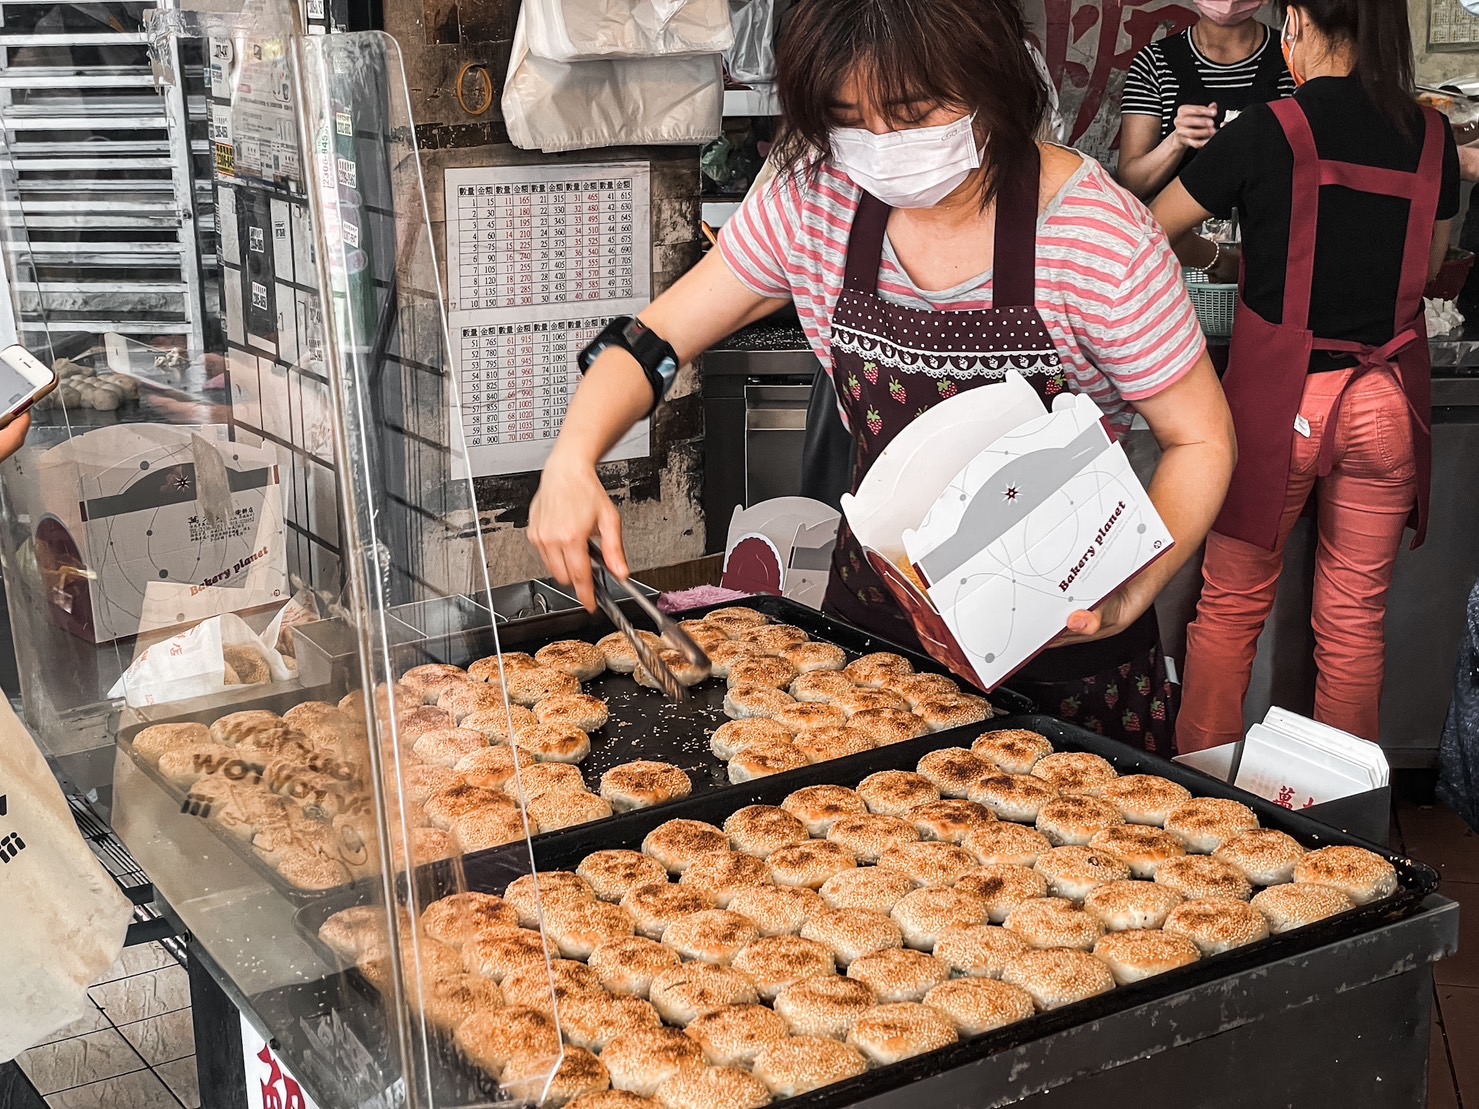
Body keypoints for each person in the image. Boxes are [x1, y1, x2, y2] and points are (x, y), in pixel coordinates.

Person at [529, 0, 1236, 753]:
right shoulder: (814, 202)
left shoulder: (1093, 236)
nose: (880, 143)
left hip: (1062, 653)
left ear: (988, 76)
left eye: (911, 111)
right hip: (877, 656)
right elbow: (653, 343)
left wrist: (1137, 585)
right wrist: (573, 458)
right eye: (846, 117)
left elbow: (1200, 438)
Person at [1151, 0, 1458, 751]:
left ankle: (1202, 798)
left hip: (1283, 402)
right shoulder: (1431, 136)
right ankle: (1339, 820)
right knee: (1353, 621)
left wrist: (1222, 260)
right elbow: (1423, 270)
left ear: (1295, 21)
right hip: (1385, 398)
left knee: (1229, 606)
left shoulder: (1268, 126)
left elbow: (1152, 228)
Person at [1118, 0, 1294, 201]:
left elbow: (1311, 165)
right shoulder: (1154, 63)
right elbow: (1132, 186)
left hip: (1267, 227)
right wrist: (1177, 141)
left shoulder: (1292, 59)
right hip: (1176, 229)